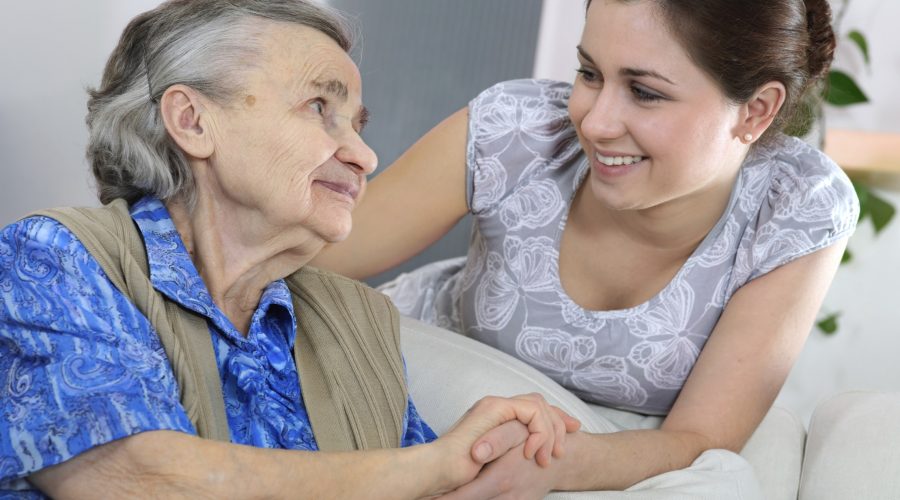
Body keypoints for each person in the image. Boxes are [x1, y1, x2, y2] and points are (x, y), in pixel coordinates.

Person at [0, 1, 580, 498]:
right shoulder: (56, 258)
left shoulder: (360, 320)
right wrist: (432, 465)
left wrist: (488, 458)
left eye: (358, 124)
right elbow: (133, 480)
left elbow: (410, 484)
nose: (364, 156)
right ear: (192, 120)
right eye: (319, 108)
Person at [313, 0, 859, 496]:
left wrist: (552, 464)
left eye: (645, 92)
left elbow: (698, 439)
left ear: (756, 110)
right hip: (425, 381)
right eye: (589, 74)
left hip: (598, 449)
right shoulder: (517, 129)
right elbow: (303, 255)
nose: (594, 123)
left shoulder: (797, 208)